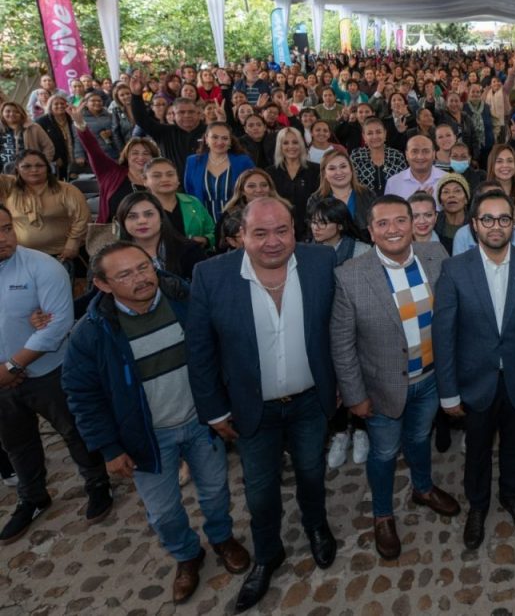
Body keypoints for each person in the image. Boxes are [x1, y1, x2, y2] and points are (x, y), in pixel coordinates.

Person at [62, 241, 250, 604]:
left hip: (200, 424)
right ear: (102, 284)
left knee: (216, 491)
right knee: (163, 512)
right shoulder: (91, 332)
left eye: (144, 267)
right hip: (147, 437)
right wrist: (109, 448)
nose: (140, 278)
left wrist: (224, 407)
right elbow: (82, 395)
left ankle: (222, 538)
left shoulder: (186, 300)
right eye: (125, 275)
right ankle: (187, 555)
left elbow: (222, 348)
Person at [186, 197, 339, 612]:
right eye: (260, 233)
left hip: (310, 402)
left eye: (282, 230)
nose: (273, 241)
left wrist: (342, 383)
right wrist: (214, 411)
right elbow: (199, 350)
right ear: (240, 235)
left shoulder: (321, 262)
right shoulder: (211, 275)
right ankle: (268, 553)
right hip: (251, 411)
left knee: (312, 472)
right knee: (259, 490)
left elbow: (340, 327)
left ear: (295, 231)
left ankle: (317, 526)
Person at [330, 194, 460, 560]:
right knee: (384, 452)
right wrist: (355, 396)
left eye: (401, 220)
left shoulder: (436, 256)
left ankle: (423, 488)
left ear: (414, 224)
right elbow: (342, 344)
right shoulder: (350, 275)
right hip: (382, 389)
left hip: (430, 380)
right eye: (383, 223)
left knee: (419, 438)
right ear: (371, 231)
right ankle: (383, 514)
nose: (393, 229)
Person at [433, 187, 515, 551]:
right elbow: (444, 336)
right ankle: (478, 505)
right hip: (475, 381)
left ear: (513, 224)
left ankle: (510, 495)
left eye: (504, 219)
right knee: (477, 449)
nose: (496, 226)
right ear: (474, 225)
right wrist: (448, 392)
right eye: (487, 219)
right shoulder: (454, 270)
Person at [0, 204, 112, 544]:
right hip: (2, 383)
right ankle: (33, 496)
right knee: (16, 443)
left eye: (6, 228)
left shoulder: (42, 267)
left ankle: (97, 483)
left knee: (74, 430)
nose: (2, 237)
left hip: (49, 372)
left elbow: (57, 326)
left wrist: (12, 366)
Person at [71, 102, 160, 224]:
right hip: (113, 232)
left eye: (146, 153)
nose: (141, 157)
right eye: (135, 153)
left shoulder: (159, 179)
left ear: (153, 157)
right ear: (126, 156)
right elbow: (93, 149)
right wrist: (80, 124)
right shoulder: (111, 172)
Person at [0, 150, 89, 269]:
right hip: (20, 255)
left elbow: (82, 218)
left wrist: (73, 243)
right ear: (17, 168)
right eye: (26, 166)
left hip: (61, 255)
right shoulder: (8, 187)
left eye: (39, 165)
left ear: (47, 167)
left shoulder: (67, 190)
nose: (34, 170)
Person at [114, 191, 208, 280]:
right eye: (132, 216)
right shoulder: (114, 258)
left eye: (149, 214)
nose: (142, 221)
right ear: (123, 222)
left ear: (161, 218)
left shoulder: (190, 251)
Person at [129, 73, 206, 175]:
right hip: (173, 183)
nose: (187, 115)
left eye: (191, 112)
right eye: (181, 112)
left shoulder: (209, 131)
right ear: (173, 115)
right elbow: (142, 120)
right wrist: (136, 96)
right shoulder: (164, 132)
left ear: (198, 114)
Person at [184, 122, 255, 223]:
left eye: (225, 138)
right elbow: (190, 192)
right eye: (215, 137)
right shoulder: (192, 161)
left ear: (230, 141)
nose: (220, 142)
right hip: (204, 222)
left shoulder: (243, 161)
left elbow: (253, 189)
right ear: (206, 139)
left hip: (237, 221)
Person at [143, 158, 217, 249]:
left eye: (170, 174)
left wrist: (206, 240)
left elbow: (212, 231)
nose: (165, 179)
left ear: (178, 179)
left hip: (196, 255)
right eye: (157, 176)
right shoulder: (141, 207)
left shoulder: (193, 202)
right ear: (145, 181)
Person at [267, 127, 320, 240]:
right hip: (279, 230)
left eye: (295, 142)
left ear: (301, 145)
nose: (291, 146)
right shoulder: (269, 173)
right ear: (280, 146)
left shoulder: (316, 170)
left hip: (311, 232)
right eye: (285, 143)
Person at [307, 149, 375, 236]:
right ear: (324, 174)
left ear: (351, 169)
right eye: (332, 168)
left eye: (343, 166)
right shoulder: (315, 200)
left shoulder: (368, 195)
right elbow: (313, 234)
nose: (339, 172)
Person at [350, 117, 408, 195]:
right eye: (370, 133)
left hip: (394, 200)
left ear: (385, 133)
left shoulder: (397, 156)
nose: (375, 137)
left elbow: (404, 183)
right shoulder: (356, 156)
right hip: (364, 201)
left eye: (378, 132)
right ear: (364, 136)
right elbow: (352, 184)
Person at [384, 134, 446, 201]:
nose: (420, 157)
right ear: (407, 155)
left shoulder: (446, 179)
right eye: (414, 151)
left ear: (433, 154)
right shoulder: (393, 183)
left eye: (426, 151)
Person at [35, 95, 82, 180]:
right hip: (55, 160)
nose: (60, 106)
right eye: (56, 104)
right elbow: (41, 143)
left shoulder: (71, 118)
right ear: (50, 106)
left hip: (72, 156)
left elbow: (78, 137)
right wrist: (55, 157)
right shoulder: (42, 121)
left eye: (62, 103)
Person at [434, 172, 471, 253]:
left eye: (457, 191)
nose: (451, 195)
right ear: (441, 201)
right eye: (446, 192)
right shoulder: (433, 224)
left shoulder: (475, 225)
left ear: (466, 199)